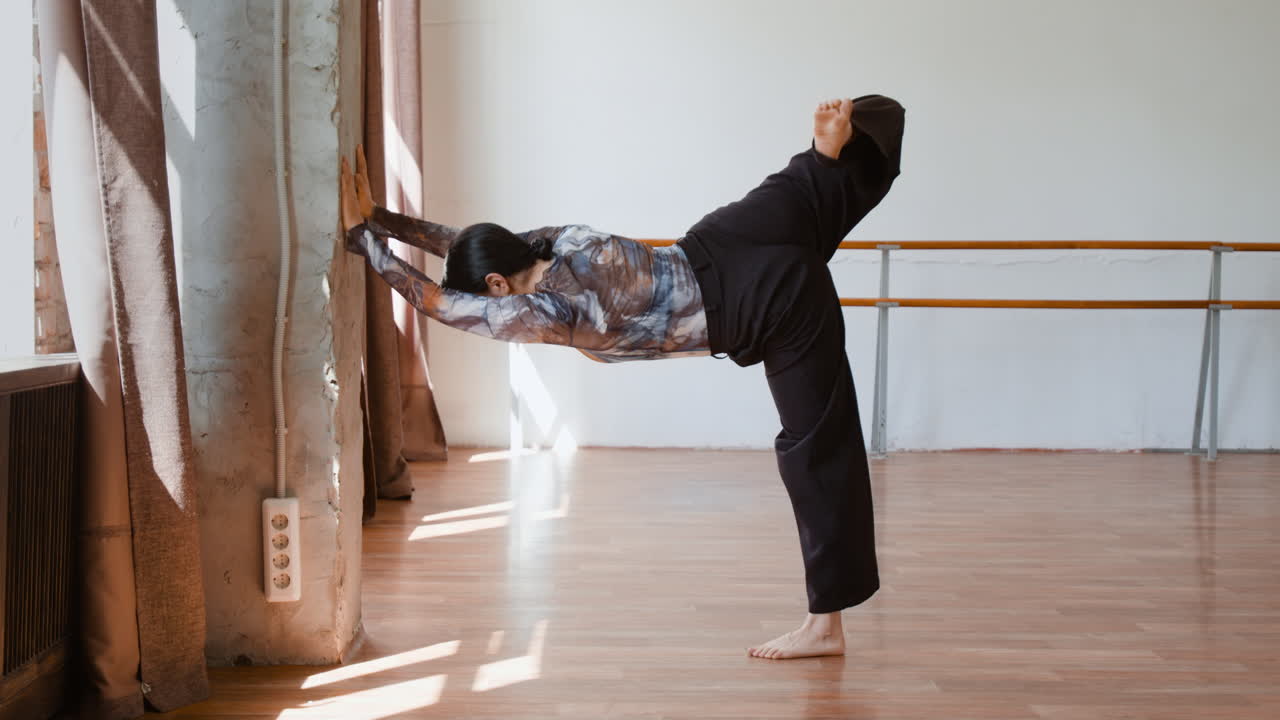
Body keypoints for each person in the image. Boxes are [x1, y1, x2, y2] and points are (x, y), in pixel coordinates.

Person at [341, 95, 905, 659]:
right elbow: (465, 243)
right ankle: (821, 164)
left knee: (814, 450)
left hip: (768, 306)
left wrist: (363, 238)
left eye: (486, 295)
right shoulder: (553, 241)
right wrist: (381, 219)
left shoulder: (543, 311)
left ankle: (825, 629)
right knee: (810, 183)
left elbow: (437, 301)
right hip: (728, 238)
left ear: (495, 286)